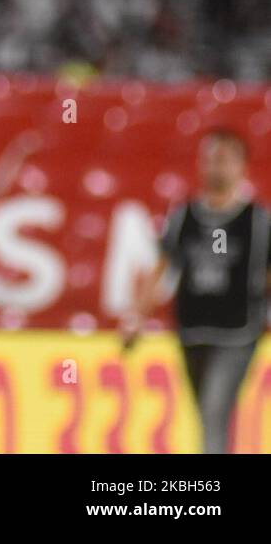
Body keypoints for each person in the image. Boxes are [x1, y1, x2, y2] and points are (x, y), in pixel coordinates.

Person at [123, 127, 270, 453]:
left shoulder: (258, 221)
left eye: (224, 160)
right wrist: (137, 317)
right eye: (210, 160)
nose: (216, 168)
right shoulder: (184, 216)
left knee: (214, 410)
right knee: (205, 412)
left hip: (236, 333)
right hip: (192, 330)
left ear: (241, 167)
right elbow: (162, 268)